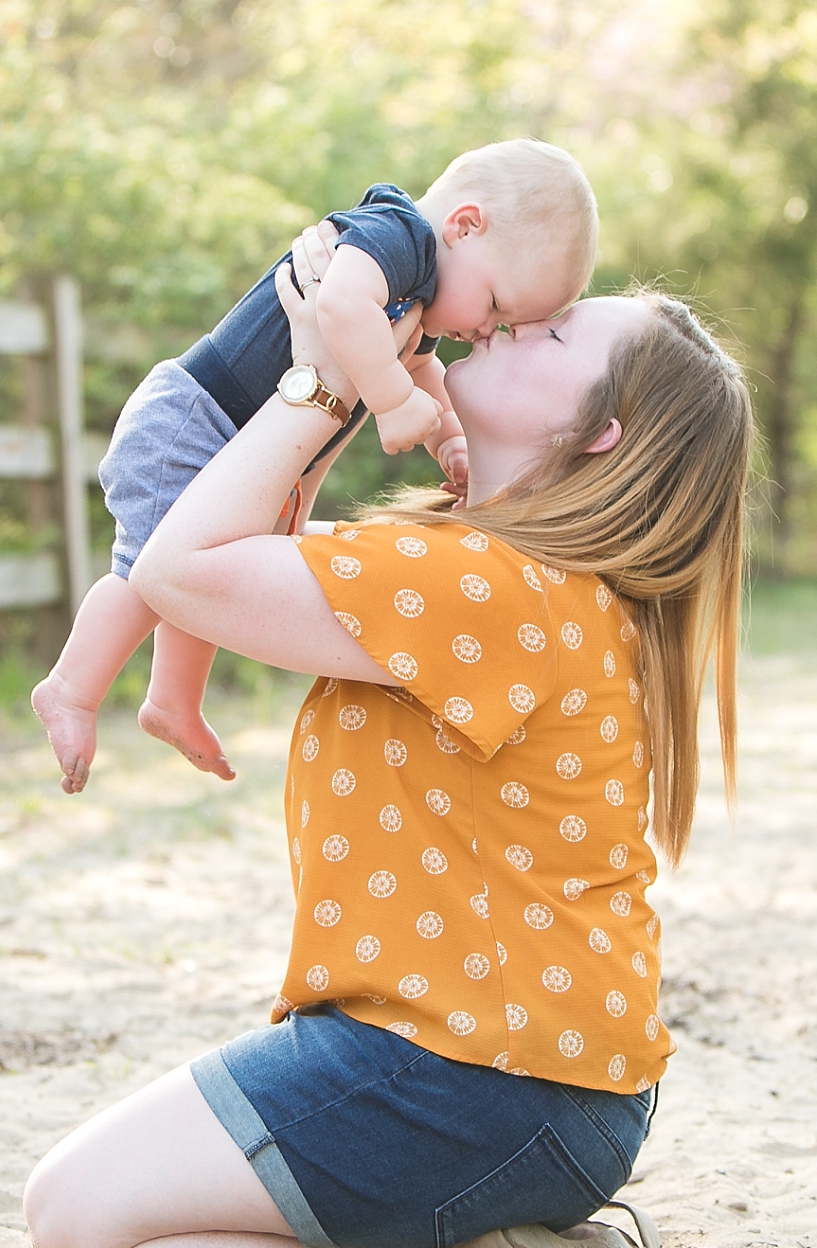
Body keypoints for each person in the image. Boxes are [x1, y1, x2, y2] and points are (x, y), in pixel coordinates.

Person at [20, 225, 754, 1248]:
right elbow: (234, 542)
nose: (515, 318)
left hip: (483, 1081)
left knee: (79, 1221)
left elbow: (178, 565)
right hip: (533, 1085)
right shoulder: (495, 572)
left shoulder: (487, 584)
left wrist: (324, 372)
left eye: (555, 331)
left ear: (600, 432)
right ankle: (475, 1230)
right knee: (97, 1205)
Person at [29, 140, 600, 795]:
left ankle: (172, 701)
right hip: (194, 418)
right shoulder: (396, 235)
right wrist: (389, 401)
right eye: (497, 305)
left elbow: (419, 365)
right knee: (146, 570)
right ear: (465, 226)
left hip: (229, 431)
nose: (487, 328)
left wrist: (448, 441)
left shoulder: (425, 286)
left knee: (209, 566)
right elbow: (340, 307)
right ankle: (71, 688)